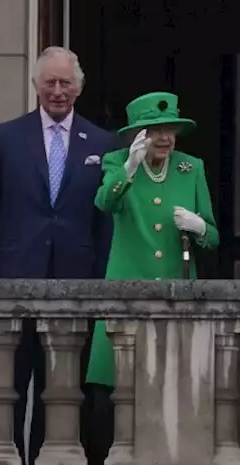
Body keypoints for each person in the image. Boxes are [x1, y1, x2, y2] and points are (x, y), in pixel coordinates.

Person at [0, 46, 116, 465]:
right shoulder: (6, 137)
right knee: (13, 383)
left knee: (63, 386)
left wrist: (103, 280)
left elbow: (104, 221)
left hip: (77, 282)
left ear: (78, 87)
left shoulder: (101, 143)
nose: (57, 91)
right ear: (35, 85)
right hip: (16, 279)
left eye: (65, 82)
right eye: (49, 82)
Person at [92, 92, 220, 435]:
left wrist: (200, 227)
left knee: (172, 386)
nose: (165, 138)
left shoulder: (191, 168)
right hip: (126, 288)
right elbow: (105, 202)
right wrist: (129, 169)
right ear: (138, 133)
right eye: (155, 130)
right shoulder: (116, 161)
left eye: (170, 130)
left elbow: (213, 236)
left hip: (175, 292)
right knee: (118, 388)